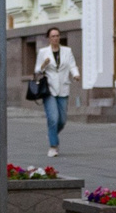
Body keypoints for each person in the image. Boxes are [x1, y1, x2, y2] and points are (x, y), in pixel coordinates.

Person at [32, 29, 80, 160]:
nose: (55, 38)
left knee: (62, 120)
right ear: (49, 38)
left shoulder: (67, 51)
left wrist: (76, 74)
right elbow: (37, 70)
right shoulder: (43, 52)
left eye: (57, 36)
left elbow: (72, 65)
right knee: (53, 117)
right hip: (49, 89)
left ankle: (51, 133)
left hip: (63, 88)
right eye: (53, 36)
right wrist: (44, 64)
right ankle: (53, 146)